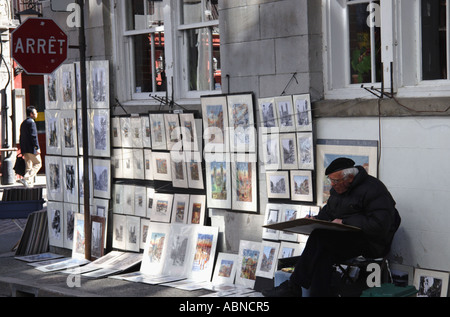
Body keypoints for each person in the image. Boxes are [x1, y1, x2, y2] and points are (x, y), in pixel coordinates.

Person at [262, 157, 401, 297]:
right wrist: (314, 220)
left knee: (320, 239)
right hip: (347, 239)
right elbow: (328, 212)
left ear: (350, 178)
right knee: (322, 252)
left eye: (335, 181)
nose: (332, 185)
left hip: (371, 243)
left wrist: (346, 222)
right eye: (331, 180)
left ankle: (294, 286)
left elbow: (380, 225)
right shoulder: (339, 190)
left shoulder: (374, 189)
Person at [18, 106, 42, 187]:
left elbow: (21, 137)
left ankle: (29, 185)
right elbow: (33, 136)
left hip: (25, 149)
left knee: (28, 167)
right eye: (35, 112)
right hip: (31, 149)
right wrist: (37, 147)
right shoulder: (32, 123)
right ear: (31, 114)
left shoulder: (23, 123)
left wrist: (22, 149)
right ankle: (26, 178)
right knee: (38, 163)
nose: (37, 114)